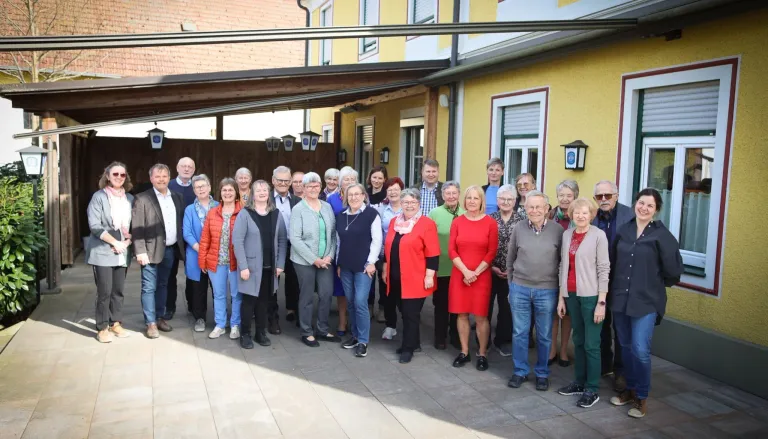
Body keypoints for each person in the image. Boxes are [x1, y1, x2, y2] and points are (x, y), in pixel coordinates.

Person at [609, 188, 683, 419]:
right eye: (641, 203)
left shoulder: (661, 235)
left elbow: (674, 271)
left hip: (646, 302)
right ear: (635, 204)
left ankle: (641, 396)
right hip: (621, 299)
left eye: (650, 205)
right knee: (626, 348)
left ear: (656, 210)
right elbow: (613, 261)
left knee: (641, 350)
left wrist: (651, 283)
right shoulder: (624, 230)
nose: (644, 208)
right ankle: (629, 391)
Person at [506, 190, 564, 391]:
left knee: (545, 334)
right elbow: (510, 259)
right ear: (525, 208)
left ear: (547, 209)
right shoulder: (518, 228)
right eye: (530, 206)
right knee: (520, 332)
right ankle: (520, 371)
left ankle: (542, 373)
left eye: (539, 207)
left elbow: (562, 262)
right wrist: (511, 285)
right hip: (520, 288)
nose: (535, 210)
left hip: (546, 290)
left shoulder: (558, 231)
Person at [556, 197, 610, 409]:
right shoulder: (567, 234)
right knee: (577, 340)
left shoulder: (599, 236)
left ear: (591, 215)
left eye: (584, 212)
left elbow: (604, 268)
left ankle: (592, 388)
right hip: (571, 294)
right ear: (571, 214)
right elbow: (563, 267)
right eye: (576, 212)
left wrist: (601, 302)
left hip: (591, 296)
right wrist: (561, 297)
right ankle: (579, 382)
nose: (580, 215)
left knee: (591, 344)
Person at [382, 188, 440, 364]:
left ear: (419, 204)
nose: (409, 205)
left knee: (410, 314)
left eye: (413, 202)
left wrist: (429, 275)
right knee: (403, 311)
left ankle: (408, 348)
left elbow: (433, 253)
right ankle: (413, 342)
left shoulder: (426, 224)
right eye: (406, 202)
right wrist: (385, 269)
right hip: (395, 277)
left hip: (416, 278)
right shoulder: (394, 222)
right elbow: (388, 248)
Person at [448, 185, 499, 371]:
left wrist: (475, 273)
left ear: (482, 201)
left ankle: (482, 353)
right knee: (461, 314)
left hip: (481, 276)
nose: (471, 201)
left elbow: (491, 251)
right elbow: (451, 250)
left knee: (481, 316)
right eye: (469, 198)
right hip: (460, 274)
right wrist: (465, 272)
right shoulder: (458, 222)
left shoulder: (490, 223)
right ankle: (464, 351)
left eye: (475, 198)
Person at [132, 164, 185, 339]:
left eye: (164, 176)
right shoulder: (142, 199)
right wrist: (140, 251)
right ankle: (151, 323)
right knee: (149, 287)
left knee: (163, 285)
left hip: (169, 250)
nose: (161, 179)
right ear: (151, 178)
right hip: (148, 250)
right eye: (157, 176)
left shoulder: (177, 197)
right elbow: (137, 227)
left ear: (169, 177)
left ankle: (160, 317)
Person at [233, 180, 288, 349]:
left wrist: (279, 264)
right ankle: (245, 334)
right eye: (259, 190)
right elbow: (238, 240)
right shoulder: (245, 213)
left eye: (265, 190)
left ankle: (260, 332)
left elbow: (282, 240)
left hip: (269, 268)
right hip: (249, 268)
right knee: (249, 302)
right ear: (253, 194)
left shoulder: (276, 213)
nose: (262, 192)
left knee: (264, 301)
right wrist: (243, 266)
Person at [592, 180, 634, 391]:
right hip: (596, 281)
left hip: (620, 281)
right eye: (599, 196)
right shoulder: (590, 216)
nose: (604, 200)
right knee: (600, 325)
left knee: (620, 328)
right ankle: (604, 365)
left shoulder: (630, 215)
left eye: (608, 195)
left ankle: (621, 373)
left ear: (616, 195)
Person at [86, 162, 134, 343]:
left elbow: (132, 224)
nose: (119, 177)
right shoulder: (98, 197)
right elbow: (94, 226)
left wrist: (127, 242)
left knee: (118, 290)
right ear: (107, 175)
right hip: (103, 249)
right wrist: (115, 242)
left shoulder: (129, 198)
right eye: (115, 174)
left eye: (122, 175)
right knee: (105, 291)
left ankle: (116, 323)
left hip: (123, 249)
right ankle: (102, 327)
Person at [290, 172, 339, 347]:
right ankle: (306, 331)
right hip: (304, 261)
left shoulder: (326, 207)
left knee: (326, 294)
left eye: (316, 185)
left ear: (320, 187)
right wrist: (314, 259)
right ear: (303, 188)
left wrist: (329, 255)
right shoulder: (298, 209)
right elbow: (295, 238)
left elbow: (333, 234)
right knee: (307, 295)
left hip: (325, 259)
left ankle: (323, 329)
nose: (313, 188)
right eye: (309, 186)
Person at [337, 183, 382, 358]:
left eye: (357, 194)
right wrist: (339, 263)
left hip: (364, 267)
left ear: (364, 196)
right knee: (349, 301)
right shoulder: (341, 215)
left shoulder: (371, 214)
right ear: (346, 197)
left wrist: (371, 262)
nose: (354, 197)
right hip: (346, 265)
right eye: (350, 195)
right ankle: (355, 336)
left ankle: (363, 341)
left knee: (360, 301)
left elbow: (377, 240)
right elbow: (339, 242)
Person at [198, 178, 242, 340]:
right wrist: (202, 260)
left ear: (236, 192)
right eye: (224, 190)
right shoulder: (213, 213)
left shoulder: (243, 212)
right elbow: (205, 239)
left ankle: (235, 324)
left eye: (230, 190)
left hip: (236, 262)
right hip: (216, 262)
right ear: (220, 193)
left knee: (237, 295)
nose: (227, 193)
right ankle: (220, 325)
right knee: (219, 294)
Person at [427, 181, 464, 350]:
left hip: (460, 268)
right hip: (441, 266)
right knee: (441, 304)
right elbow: (427, 240)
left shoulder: (465, 214)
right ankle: (440, 336)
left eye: (454, 193)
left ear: (459, 194)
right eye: (447, 193)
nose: (451, 196)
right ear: (442, 195)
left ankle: (456, 336)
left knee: (457, 305)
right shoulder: (434, 214)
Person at [548, 179, 579, 368]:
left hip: (572, 271)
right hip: (552, 268)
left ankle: (564, 350)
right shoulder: (551, 214)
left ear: (575, 196)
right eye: (562, 195)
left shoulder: (581, 216)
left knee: (567, 314)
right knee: (552, 312)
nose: (565, 199)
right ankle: (552, 349)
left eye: (569, 195)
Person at [488, 184, 521, 357]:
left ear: (515, 201)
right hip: (489, 270)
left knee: (506, 308)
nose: (506, 202)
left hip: (512, 273)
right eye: (503, 199)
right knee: (485, 306)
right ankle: (483, 341)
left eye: (510, 199)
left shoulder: (522, 220)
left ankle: (502, 340)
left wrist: (512, 268)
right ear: (497, 200)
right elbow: (484, 245)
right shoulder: (489, 219)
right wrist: (491, 266)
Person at [182, 174, 219, 333]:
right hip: (196, 254)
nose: (201, 189)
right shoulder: (189, 209)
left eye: (204, 186)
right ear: (194, 190)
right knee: (198, 288)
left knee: (218, 288)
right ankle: (200, 318)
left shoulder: (219, 206)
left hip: (217, 255)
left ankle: (220, 318)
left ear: (210, 187)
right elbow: (187, 233)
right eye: (197, 187)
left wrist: (213, 250)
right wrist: (202, 249)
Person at [164, 157, 196, 320]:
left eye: (190, 167)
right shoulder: (168, 186)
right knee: (170, 274)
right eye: (183, 166)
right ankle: (169, 307)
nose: (186, 169)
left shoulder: (197, 187)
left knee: (192, 273)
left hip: (191, 239)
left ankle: (192, 305)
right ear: (177, 168)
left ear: (194, 169)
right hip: (173, 238)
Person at [327, 166, 358, 336]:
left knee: (356, 288)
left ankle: (355, 322)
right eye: (346, 179)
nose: (349, 182)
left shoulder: (362, 198)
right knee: (341, 289)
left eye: (352, 179)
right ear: (340, 182)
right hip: (339, 248)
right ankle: (341, 322)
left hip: (357, 249)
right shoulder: (332, 199)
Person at [271, 166, 301, 334]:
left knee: (294, 279)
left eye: (286, 181)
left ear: (290, 182)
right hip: (273, 247)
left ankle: (294, 310)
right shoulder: (265, 199)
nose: (283, 183)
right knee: (272, 281)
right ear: (273, 181)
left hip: (293, 245)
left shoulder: (297, 201)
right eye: (279, 180)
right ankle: (273, 317)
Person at [377, 177, 404, 330]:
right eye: (390, 189)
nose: (393, 192)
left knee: (402, 289)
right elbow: (378, 232)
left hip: (404, 257)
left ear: (401, 191)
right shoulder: (381, 210)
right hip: (385, 255)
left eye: (396, 189)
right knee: (386, 289)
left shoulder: (408, 208)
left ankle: (406, 319)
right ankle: (390, 324)